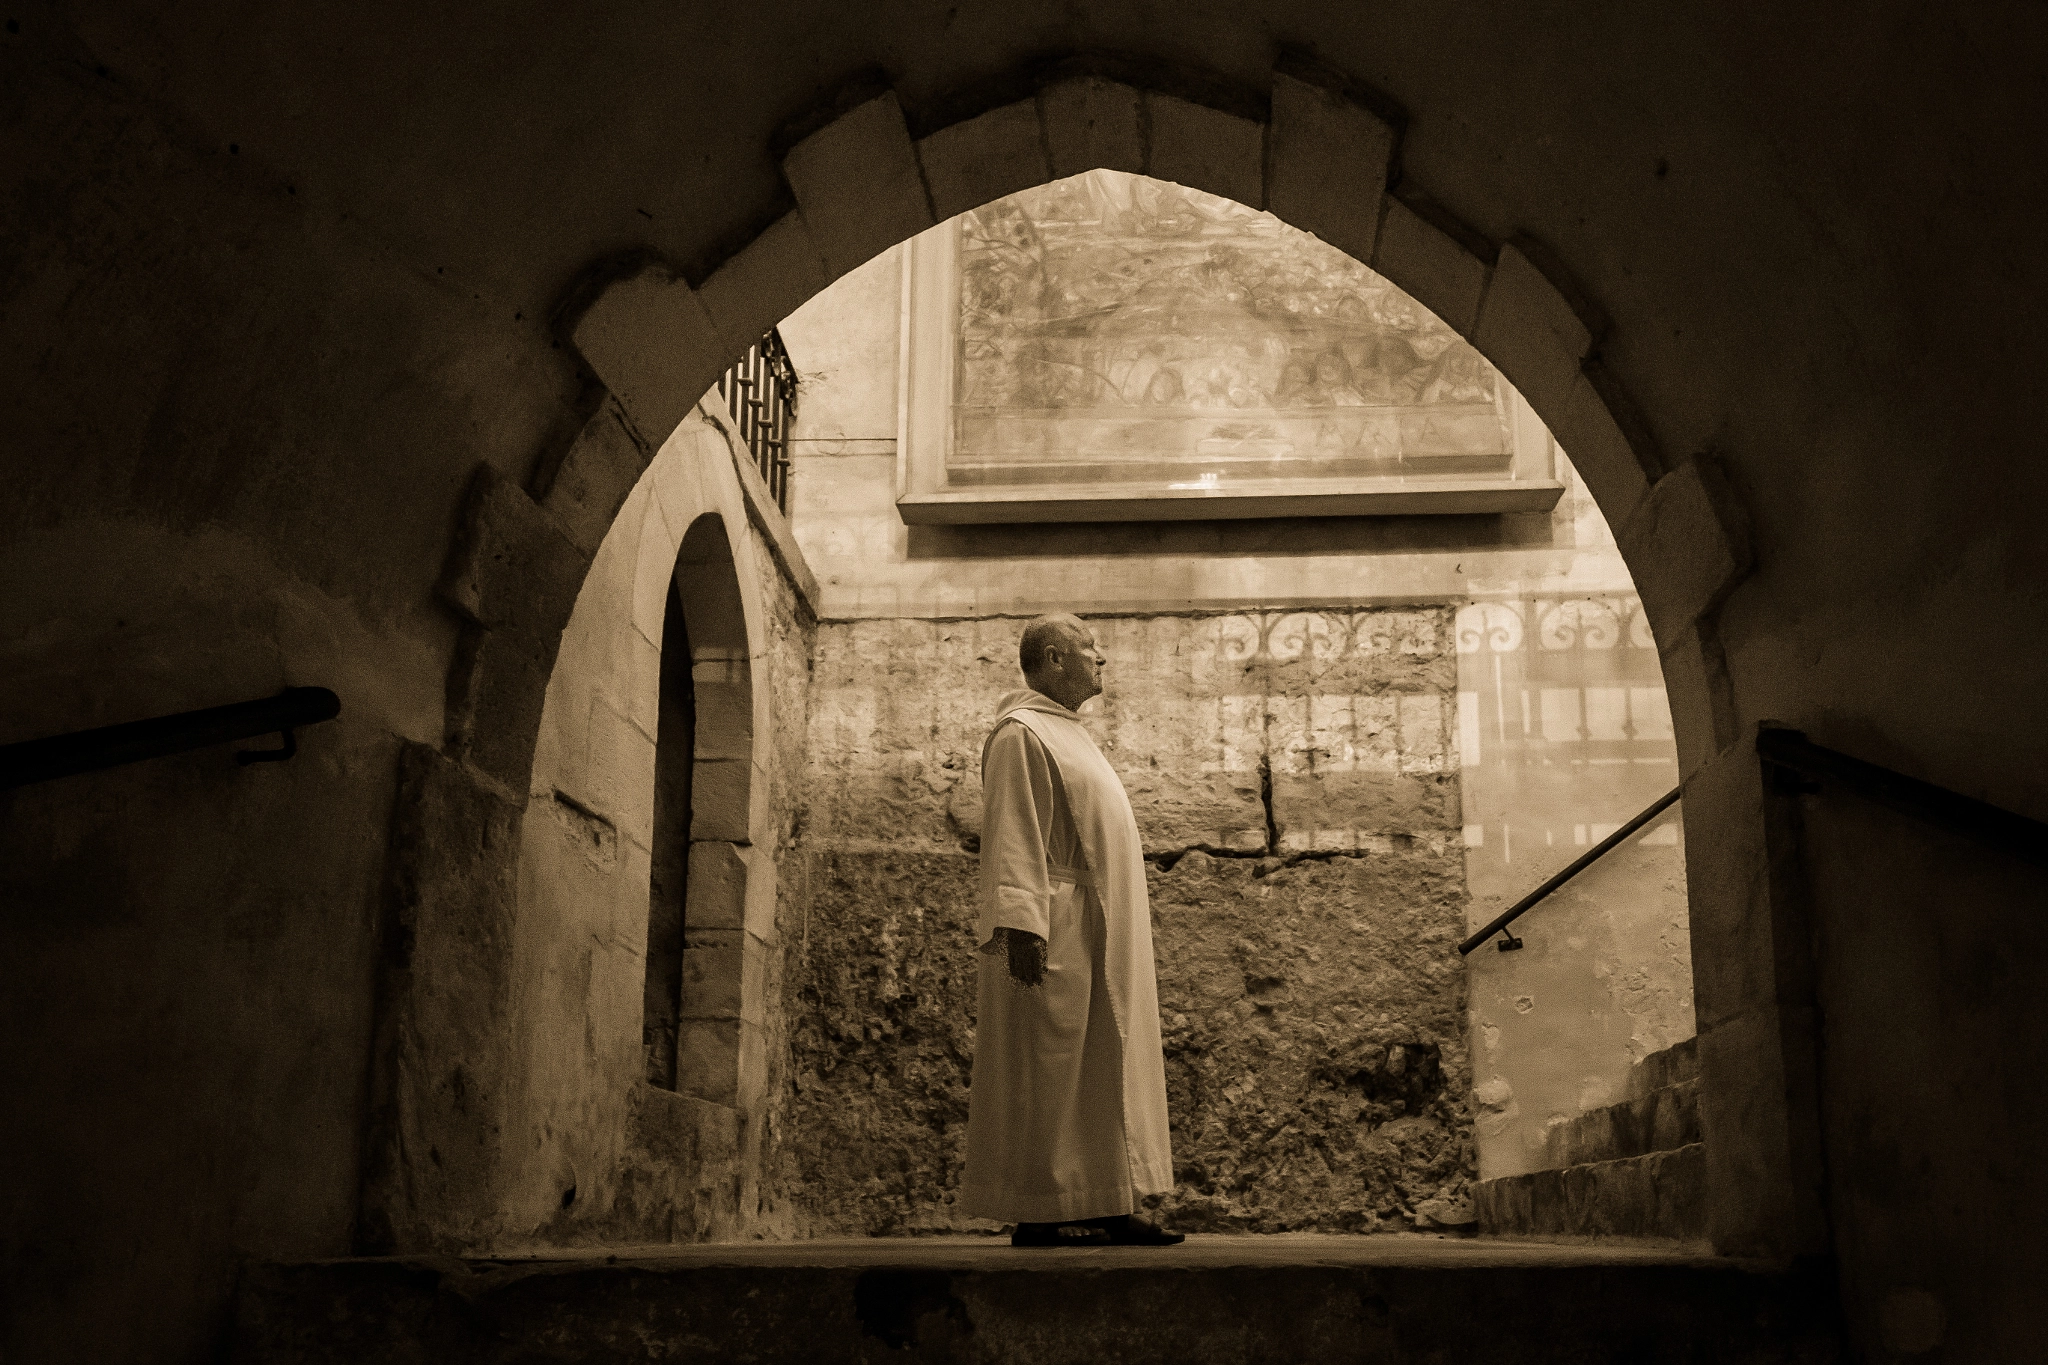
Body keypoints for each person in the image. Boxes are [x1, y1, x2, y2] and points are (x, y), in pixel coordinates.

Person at [960, 614, 1183, 1248]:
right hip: (1056, 927)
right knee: (1050, 1063)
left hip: (1097, 926)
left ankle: (1107, 1199)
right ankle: (1038, 1208)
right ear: (1055, 659)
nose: (1102, 659)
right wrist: (1023, 926)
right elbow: (1012, 834)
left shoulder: (1068, 734)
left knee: (1100, 1062)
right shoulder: (1020, 734)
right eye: (1091, 650)